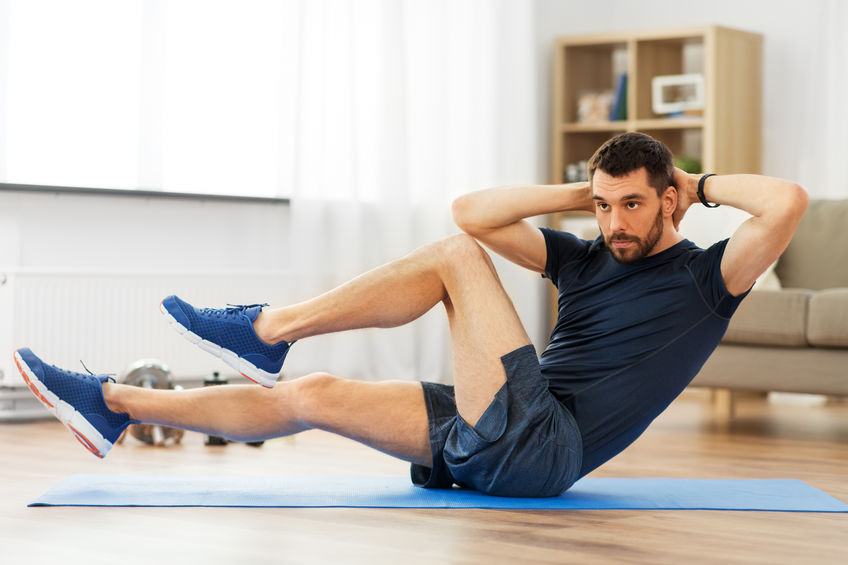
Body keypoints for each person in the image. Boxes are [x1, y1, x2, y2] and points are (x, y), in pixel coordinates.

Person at [14, 132, 808, 498]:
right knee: (312, 394)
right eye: (604, 207)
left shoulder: (708, 281)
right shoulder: (588, 254)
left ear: (668, 199)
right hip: (494, 434)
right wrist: (589, 189)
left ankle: (264, 330)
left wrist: (691, 181)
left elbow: (786, 202)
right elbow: (473, 209)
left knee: (454, 261)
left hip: (543, 446)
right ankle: (112, 404)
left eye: (633, 205)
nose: (615, 224)